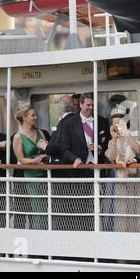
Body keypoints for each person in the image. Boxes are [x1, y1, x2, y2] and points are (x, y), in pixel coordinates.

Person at [59, 93, 111, 231]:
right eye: (88, 105)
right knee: (79, 206)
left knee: (97, 206)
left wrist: (99, 147)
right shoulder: (69, 123)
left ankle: (96, 233)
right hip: (79, 170)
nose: (90, 108)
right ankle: (82, 234)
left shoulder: (102, 122)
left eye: (93, 105)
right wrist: (74, 158)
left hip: (97, 169)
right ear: (81, 104)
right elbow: (63, 148)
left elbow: (108, 144)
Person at [36, 95, 75, 231]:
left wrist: (45, 147)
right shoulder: (75, 120)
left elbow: (59, 146)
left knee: (61, 207)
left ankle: (62, 235)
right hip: (69, 172)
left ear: (60, 109)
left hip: (63, 172)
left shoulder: (65, 122)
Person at [105, 104, 140, 232]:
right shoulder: (112, 141)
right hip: (120, 182)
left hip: (135, 181)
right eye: (114, 124)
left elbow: (139, 149)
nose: (117, 127)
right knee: (121, 212)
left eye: (119, 123)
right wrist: (116, 140)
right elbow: (111, 157)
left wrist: (126, 134)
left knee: (135, 211)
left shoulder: (134, 135)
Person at [12, 105, 49, 230]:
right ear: (24, 117)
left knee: (46, 209)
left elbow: (47, 150)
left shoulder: (41, 133)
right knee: (35, 209)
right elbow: (21, 159)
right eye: (32, 115)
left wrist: (44, 155)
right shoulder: (18, 137)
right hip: (30, 177)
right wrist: (34, 161)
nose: (36, 117)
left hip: (44, 174)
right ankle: (37, 239)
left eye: (35, 115)